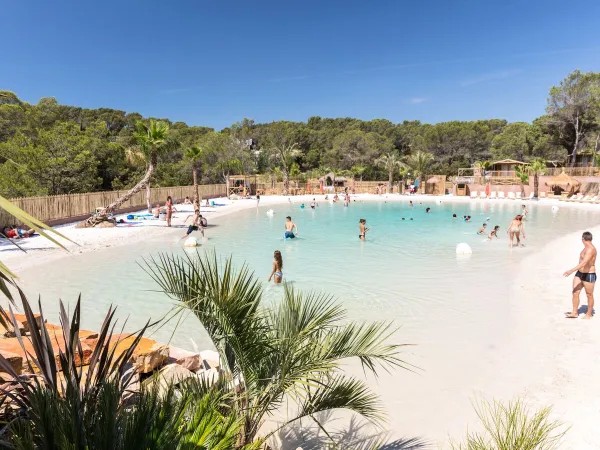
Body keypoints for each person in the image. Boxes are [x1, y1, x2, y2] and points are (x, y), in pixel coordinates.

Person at [564, 231, 596, 319]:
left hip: (589, 274)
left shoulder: (591, 249)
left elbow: (584, 263)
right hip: (579, 273)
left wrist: (571, 270)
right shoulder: (585, 248)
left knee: (589, 294)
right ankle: (574, 312)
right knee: (575, 292)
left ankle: (589, 314)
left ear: (583, 239)